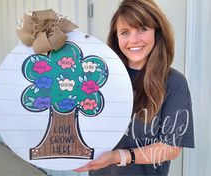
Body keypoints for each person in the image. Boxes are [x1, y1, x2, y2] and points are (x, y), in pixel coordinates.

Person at [75, 0, 195, 175]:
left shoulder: (174, 83)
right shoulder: (98, 78)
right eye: (125, 32)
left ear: (157, 32)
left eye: (142, 29)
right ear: (116, 37)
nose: (133, 40)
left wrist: (118, 156)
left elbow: (171, 148)